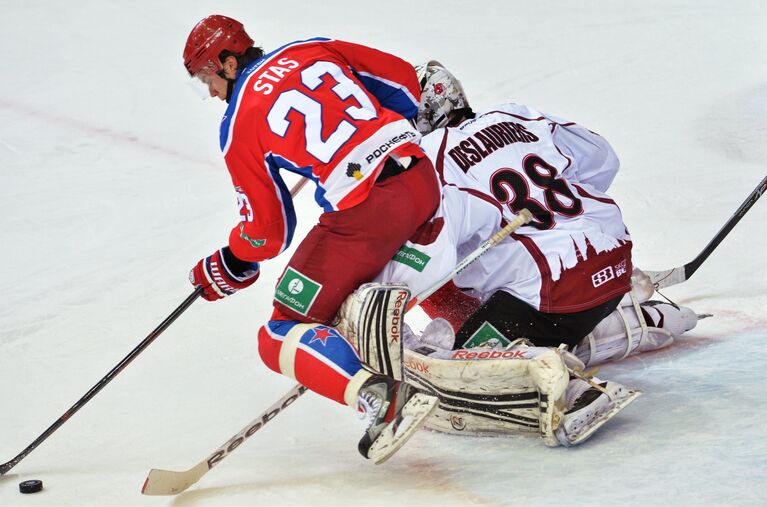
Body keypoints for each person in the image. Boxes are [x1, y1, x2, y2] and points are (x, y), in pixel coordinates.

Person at [370, 61, 698, 445]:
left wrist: (381, 290)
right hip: (614, 260)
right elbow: (602, 159)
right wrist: (561, 222)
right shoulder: (515, 114)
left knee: (463, 363)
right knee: (519, 284)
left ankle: (570, 390)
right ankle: (632, 317)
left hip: (554, 295)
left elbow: (432, 254)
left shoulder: (430, 160)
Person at [182, 15, 441, 463]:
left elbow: (267, 235)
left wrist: (231, 260)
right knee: (394, 268)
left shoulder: (239, 122)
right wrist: (369, 139)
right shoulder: (310, 48)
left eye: (207, 76)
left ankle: (378, 395)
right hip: (423, 179)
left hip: (370, 213)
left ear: (227, 63)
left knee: (281, 329)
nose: (209, 91)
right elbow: (404, 84)